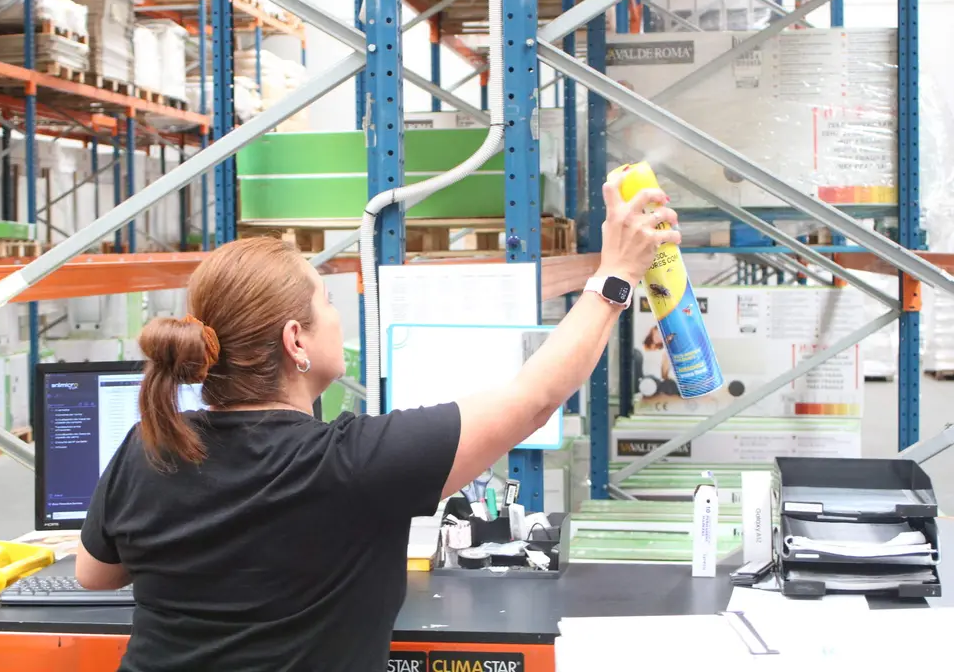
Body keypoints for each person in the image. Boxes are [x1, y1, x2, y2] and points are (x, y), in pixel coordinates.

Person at [75, 176, 680, 671]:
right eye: (327, 303)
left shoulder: (149, 446)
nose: (337, 318)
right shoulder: (351, 464)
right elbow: (534, 397)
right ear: (296, 341)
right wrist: (615, 274)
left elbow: (93, 574)